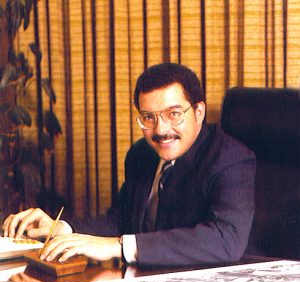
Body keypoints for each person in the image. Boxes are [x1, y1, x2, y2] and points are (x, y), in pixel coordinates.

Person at [2, 63, 256, 266]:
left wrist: (118, 246)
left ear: (199, 111)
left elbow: (227, 239)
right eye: (148, 117)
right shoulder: (141, 154)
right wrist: (62, 228)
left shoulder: (231, 159)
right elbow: (122, 219)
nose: (161, 130)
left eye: (173, 114)